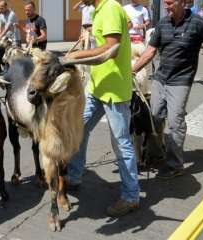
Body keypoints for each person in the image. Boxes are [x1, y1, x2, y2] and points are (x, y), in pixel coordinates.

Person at [65, 0, 140, 217]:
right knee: (80, 128)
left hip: (114, 91)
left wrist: (74, 57)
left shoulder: (109, 8)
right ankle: (75, 175)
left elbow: (111, 48)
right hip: (97, 87)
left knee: (120, 142)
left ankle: (131, 196)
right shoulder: (100, 10)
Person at [132, 0, 203, 179]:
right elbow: (150, 51)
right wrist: (131, 71)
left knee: (175, 122)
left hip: (181, 81)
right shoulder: (163, 23)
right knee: (154, 117)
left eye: (170, 3)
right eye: (165, 3)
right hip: (160, 79)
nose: (166, 7)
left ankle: (175, 164)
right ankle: (156, 155)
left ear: (183, 2)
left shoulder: (197, 23)